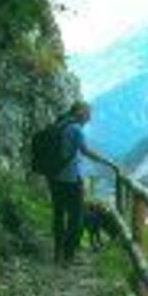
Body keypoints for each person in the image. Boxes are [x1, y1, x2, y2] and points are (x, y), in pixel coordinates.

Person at [46, 101, 119, 266]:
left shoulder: (59, 123)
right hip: (71, 179)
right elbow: (86, 151)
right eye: (87, 113)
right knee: (76, 216)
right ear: (79, 111)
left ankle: (57, 253)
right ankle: (69, 255)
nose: (89, 117)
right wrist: (109, 163)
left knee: (58, 214)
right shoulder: (76, 129)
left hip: (53, 177)